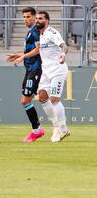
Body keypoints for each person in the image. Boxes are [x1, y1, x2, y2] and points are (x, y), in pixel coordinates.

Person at [12, 11, 70, 143]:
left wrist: (63, 54)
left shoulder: (52, 33)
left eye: (40, 19)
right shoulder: (41, 35)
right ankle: (56, 126)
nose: (37, 20)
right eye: (36, 18)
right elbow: (38, 50)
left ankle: (62, 129)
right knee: (42, 97)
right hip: (46, 71)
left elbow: (63, 45)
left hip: (57, 70)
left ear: (47, 21)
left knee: (54, 99)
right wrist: (20, 55)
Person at [5, 7, 44, 142]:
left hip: (35, 69)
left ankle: (39, 130)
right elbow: (32, 50)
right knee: (27, 100)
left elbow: (39, 50)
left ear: (34, 17)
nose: (25, 19)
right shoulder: (31, 32)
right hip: (30, 69)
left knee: (27, 100)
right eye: (24, 17)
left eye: (28, 17)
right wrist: (18, 55)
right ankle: (39, 129)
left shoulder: (36, 31)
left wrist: (22, 58)